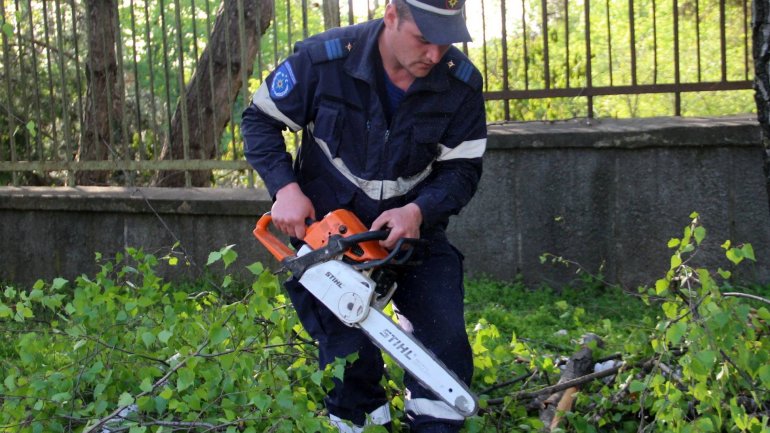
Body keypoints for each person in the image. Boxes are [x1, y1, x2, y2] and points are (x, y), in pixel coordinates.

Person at [241, 0, 486, 430]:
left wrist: (418, 210)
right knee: (349, 360)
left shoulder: (460, 85)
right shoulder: (324, 60)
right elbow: (259, 120)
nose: (435, 54)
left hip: (413, 241)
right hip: (329, 244)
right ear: (392, 15)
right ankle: (362, 422)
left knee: (443, 349)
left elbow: (462, 170)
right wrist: (286, 189)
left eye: (445, 42)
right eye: (424, 39)